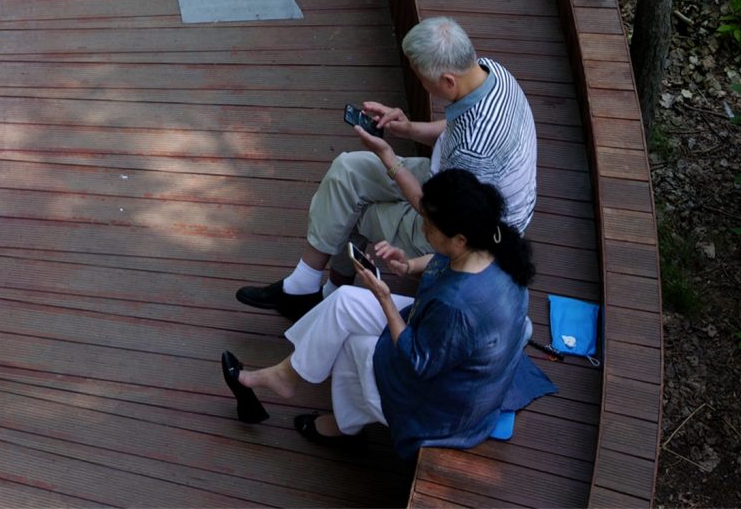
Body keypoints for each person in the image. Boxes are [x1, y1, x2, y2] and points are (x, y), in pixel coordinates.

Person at [221, 168, 555, 458]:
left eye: (429, 225)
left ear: (459, 238)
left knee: (356, 348)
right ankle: (285, 376)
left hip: (447, 403)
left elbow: (415, 360)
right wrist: (408, 264)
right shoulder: (489, 241)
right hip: (437, 333)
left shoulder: (460, 307)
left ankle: (342, 429)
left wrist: (383, 297)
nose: (423, 230)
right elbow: (443, 261)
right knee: (346, 301)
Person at [237, 16, 537, 321]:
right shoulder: (490, 72)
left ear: (448, 81)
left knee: (354, 211)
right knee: (348, 169)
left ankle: (327, 295)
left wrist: (389, 158)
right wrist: (407, 129)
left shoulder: (475, 149)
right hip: (453, 181)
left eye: (422, 78)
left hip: (467, 229)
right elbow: (455, 126)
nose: (422, 83)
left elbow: (437, 211)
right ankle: (302, 285)